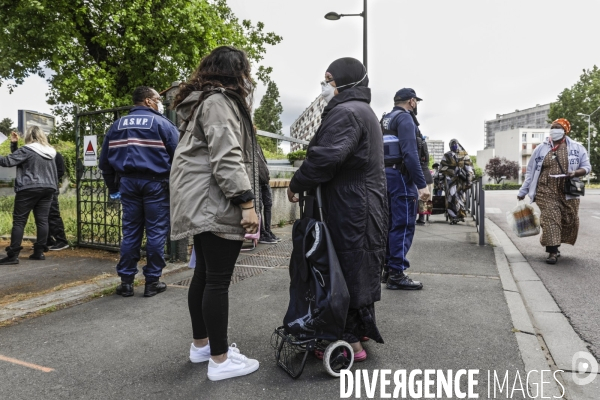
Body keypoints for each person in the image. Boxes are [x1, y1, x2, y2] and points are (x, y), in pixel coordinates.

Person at [287, 57, 387, 361]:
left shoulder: (346, 113)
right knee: (356, 267)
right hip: (361, 204)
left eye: (329, 79)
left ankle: (347, 343)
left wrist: (295, 184)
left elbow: (324, 158)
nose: (325, 85)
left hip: (350, 207)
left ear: (345, 82)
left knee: (340, 269)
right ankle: (358, 332)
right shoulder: (361, 110)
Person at [170, 46, 260, 381]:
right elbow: (227, 157)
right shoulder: (220, 103)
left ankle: (202, 347)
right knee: (217, 280)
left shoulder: (200, 103)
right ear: (238, 72)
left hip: (199, 200)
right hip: (215, 200)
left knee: (205, 275)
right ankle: (221, 361)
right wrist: (247, 203)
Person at [99, 86, 178, 297]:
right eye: (158, 98)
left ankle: (126, 282)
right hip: (156, 185)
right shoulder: (162, 123)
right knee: (156, 232)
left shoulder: (117, 125)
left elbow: (104, 161)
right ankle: (152, 282)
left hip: (127, 184)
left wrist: (113, 187)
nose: (160, 102)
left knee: (131, 232)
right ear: (148, 101)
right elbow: (179, 156)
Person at [518, 118, 591, 264]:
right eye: (553, 127)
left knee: (567, 218)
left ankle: (556, 246)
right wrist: (523, 190)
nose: (554, 130)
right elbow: (531, 171)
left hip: (568, 188)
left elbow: (587, 167)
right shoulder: (541, 148)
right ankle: (552, 252)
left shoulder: (577, 147)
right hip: (545, 188)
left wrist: (575, 173)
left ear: (565, 131)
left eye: (558, 127)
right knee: (551, 217)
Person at [380, 88, 430, 290]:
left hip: (385, 176)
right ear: (412, 101)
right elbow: (410, 154)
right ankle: (397, 274)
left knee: (389, 224)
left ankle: (388, 269)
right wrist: (421, 184)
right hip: (401, 177)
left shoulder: (385, 119)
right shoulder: (405, 119)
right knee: (403, 225)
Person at [0, 127, 57, 265]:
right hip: (48, 188)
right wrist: (14, 144)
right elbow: (20, 158)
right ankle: (39, 252)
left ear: (29, 136)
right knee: (42, 220)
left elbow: (7, 161)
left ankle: (13, 255)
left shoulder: (28, 149)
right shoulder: (50, 151)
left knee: (19, 221)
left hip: (29, 187)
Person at [439, 139, 474, 224]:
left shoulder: (464, 154)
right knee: (451, 197)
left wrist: (469, 180)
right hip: (450, 181)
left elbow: (469, 168)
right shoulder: (447, 155)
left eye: (455, 144)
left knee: (461, 198)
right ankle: (453, 216)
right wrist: (441, 181)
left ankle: (460, 215)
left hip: (461, 181)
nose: (454, 146)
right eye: (452, 144)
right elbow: (441, 168)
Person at [256, 138, 280, 244]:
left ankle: (267, 231)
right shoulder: (247, 143)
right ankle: (261, 233)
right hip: (256, 180)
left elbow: (263, 161)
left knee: (268, 204)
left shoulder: (256, 143)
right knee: (259, 206)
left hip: (264, 179)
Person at [45, 151, 69, 250]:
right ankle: (47, 240)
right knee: (42, 215)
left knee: (53, 213)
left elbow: (60, 171)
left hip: (51, 187)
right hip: (44, 186)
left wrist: (49, 178)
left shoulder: (55, 154)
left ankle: (61, 240)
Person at [416, 137, 433, 226]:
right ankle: (424, 217)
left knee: (421, 197)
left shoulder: (417, 144)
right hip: (427, 176)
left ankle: (421, 218)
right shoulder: (423, 145)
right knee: (426, 198)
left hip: (421, 176)